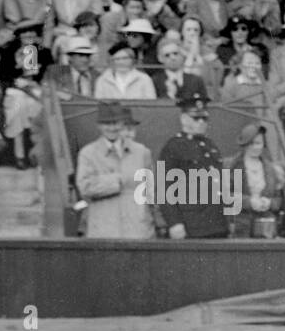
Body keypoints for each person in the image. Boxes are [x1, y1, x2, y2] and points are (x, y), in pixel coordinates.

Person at [75, 102, 155, 238]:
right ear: (99, 126)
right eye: (106, 123)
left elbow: (150, 192)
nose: (112, 128)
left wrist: (150, 224)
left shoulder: (141, 152)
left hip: (137, 229)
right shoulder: (88, 153)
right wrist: (115, 181)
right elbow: (85, 186)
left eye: (115, 123)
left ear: (122, 124)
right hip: (104, 229)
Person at [158, 90, 229, 239]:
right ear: (184, 119)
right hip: (191, 225)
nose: (202, 122)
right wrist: (174, 223)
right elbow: (164, 189)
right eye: (196, 118)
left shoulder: (210, 145)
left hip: (217, 223)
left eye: (205, 118)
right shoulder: (174, 147)